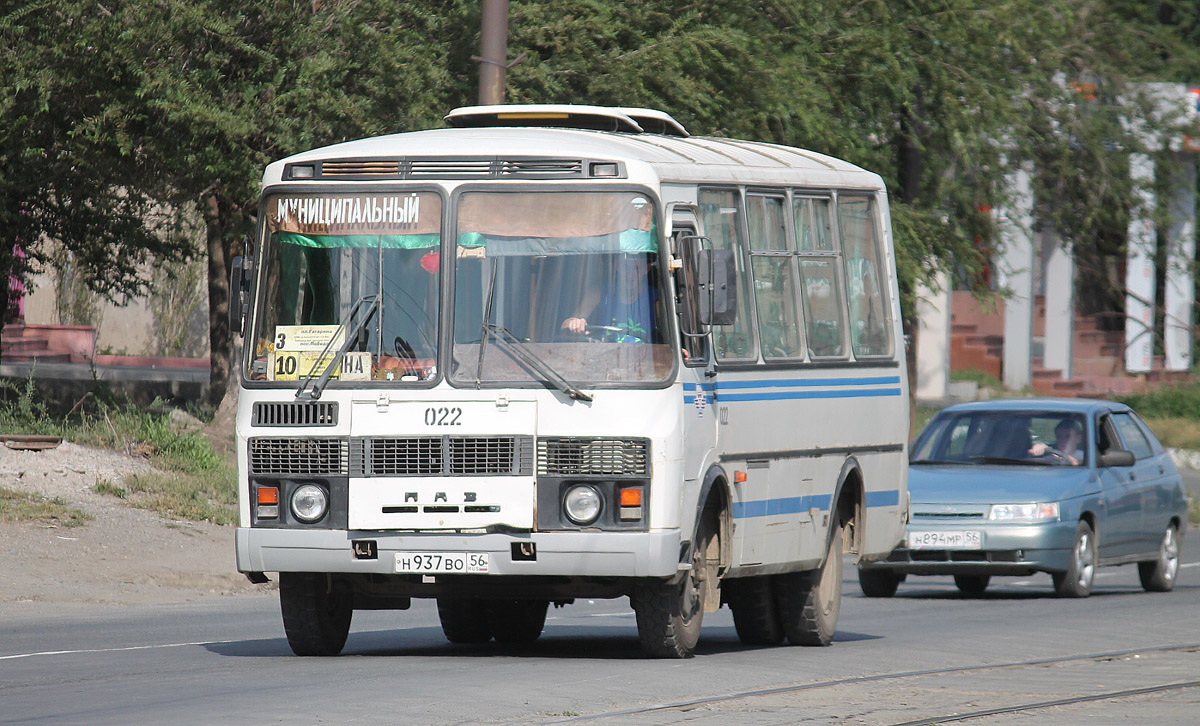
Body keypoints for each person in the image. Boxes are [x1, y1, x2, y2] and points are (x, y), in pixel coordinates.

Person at [561, 255, 656, 343]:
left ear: (646, 269)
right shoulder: (598, 293)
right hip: (604, 356)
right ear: (617, 265)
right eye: (626, 267)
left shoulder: (655, 299)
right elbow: (567, 324)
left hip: (643, 359)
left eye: (636, 268)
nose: (630, 274)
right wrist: (574, 323)